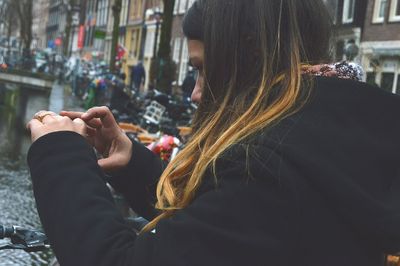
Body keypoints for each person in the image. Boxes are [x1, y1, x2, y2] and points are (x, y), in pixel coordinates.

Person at [26, 1, 400, 265]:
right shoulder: (318, 144)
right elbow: (221, 233)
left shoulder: (269, 168)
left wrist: (61, 154)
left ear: (249, 58)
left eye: (203, 69)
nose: (195, 92)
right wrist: (134, 167)